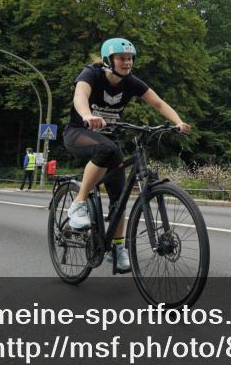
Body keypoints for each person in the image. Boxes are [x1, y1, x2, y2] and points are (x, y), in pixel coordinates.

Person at [63, 38, 192, 272]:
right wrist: (86, 115)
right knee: (107, 149)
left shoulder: (131, 82)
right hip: (79, 132)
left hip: (109, 138)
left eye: (130, 58)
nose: (127, 62)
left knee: (119, 197)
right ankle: (79, 203)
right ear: (108, 60)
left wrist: (178, 122)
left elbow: (158, 103)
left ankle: (118, 249)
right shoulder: (91, 74)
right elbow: (80, 97)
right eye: (122, 58)